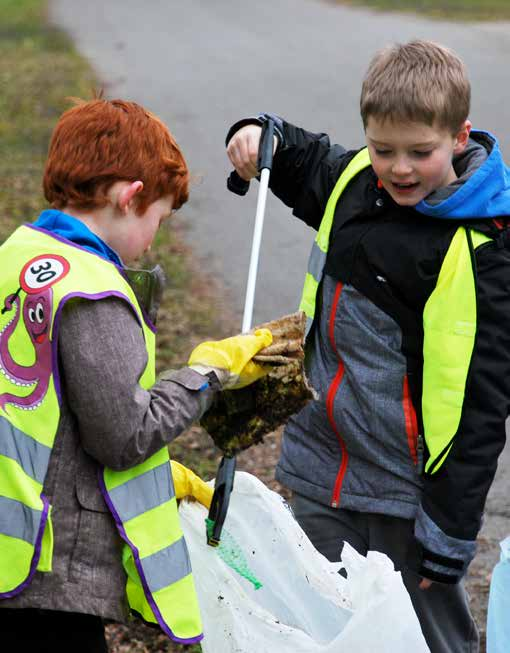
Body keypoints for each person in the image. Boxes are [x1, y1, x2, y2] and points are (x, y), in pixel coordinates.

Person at [226, 39, 510, 653]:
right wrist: (257, 134)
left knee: (427, 634)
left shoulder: (481, 250)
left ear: (460, 137)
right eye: (384, 149)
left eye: (420, 152)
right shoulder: (358, 179)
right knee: (319, 617)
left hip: (408, 492)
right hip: (322, 465)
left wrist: (451, 527)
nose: (400, 168)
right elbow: (308, 160)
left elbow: (482, 405)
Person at [0, 98, 273, 652]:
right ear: (130, 197)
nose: (153, 239)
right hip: (45, 569)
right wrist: (207, 372)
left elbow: (45, 409)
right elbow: (123, 434)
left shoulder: (16, 255)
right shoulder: (93, 289)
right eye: (159, 219)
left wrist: (160, 477)